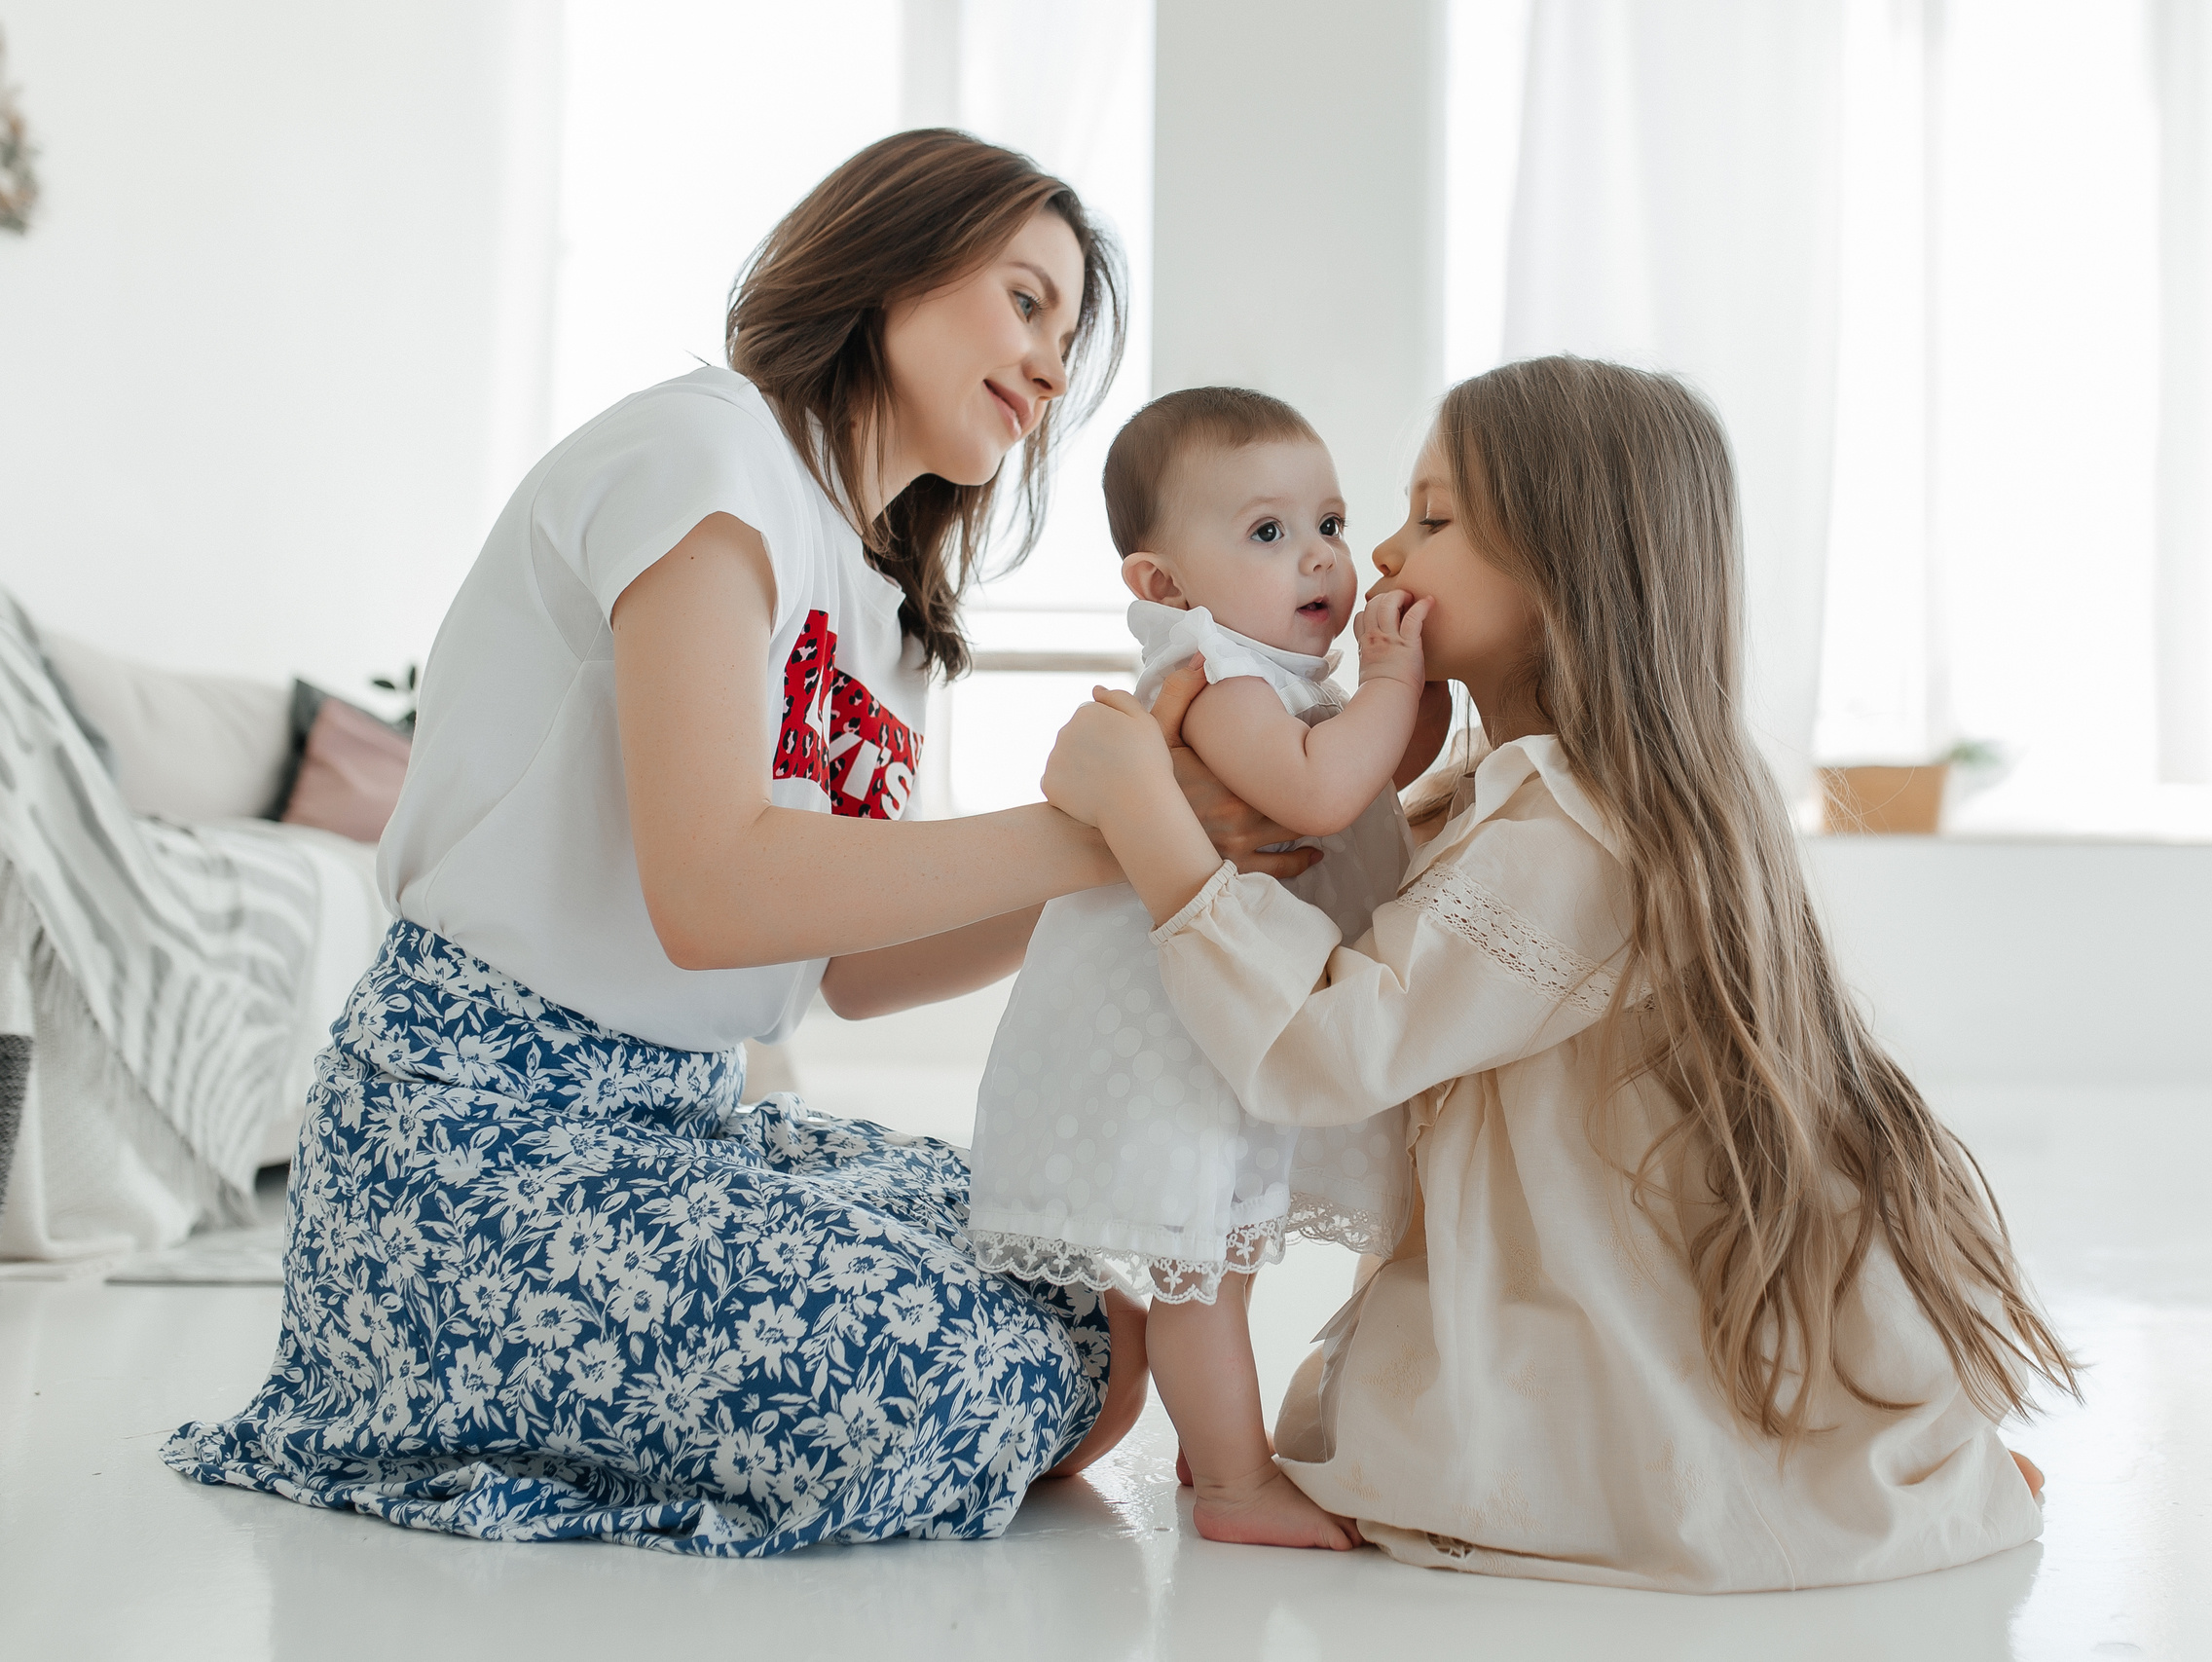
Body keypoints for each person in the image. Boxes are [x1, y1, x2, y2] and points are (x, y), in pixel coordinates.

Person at [160, 129, 1320, 1556]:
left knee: (1076, 1287)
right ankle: (425, 1377)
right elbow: (711, 889)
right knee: (982, 1372)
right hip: (476, 1139)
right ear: (894, 260)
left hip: (680, 1115)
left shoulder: (885, 599)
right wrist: (1095, 829)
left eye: (1069, 335)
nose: (1051, 365)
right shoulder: (703, 455)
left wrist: (1146, 851)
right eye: (1027, 301)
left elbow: (847, 970)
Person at [1038, 354, 2076, 1591]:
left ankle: (1822, 1468)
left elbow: (1327, 1050)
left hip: (1592, 1307)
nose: (1376, 555)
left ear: (1557, 572)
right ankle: (1844, 1450)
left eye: (1429, 521)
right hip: (1598, 1262)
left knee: (1496, 1445)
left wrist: (1142, 819)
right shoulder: (1543, 797)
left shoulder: (1567, 842)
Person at [966, 388, 1439, 1550]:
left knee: (1222, 1261)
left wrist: (1404, 686)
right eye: (1268, 532)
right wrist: (1388, 683)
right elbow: (1327, 790)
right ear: (1162, 587)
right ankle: (1233, 1484)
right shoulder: (1217, 688)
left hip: (1229, 1024)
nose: (1322, 555)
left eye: (1328, 521)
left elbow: (1376, 761)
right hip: (1188, 1043)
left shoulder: (1281, 681)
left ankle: (1209, 1447)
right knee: (1201, 1274)